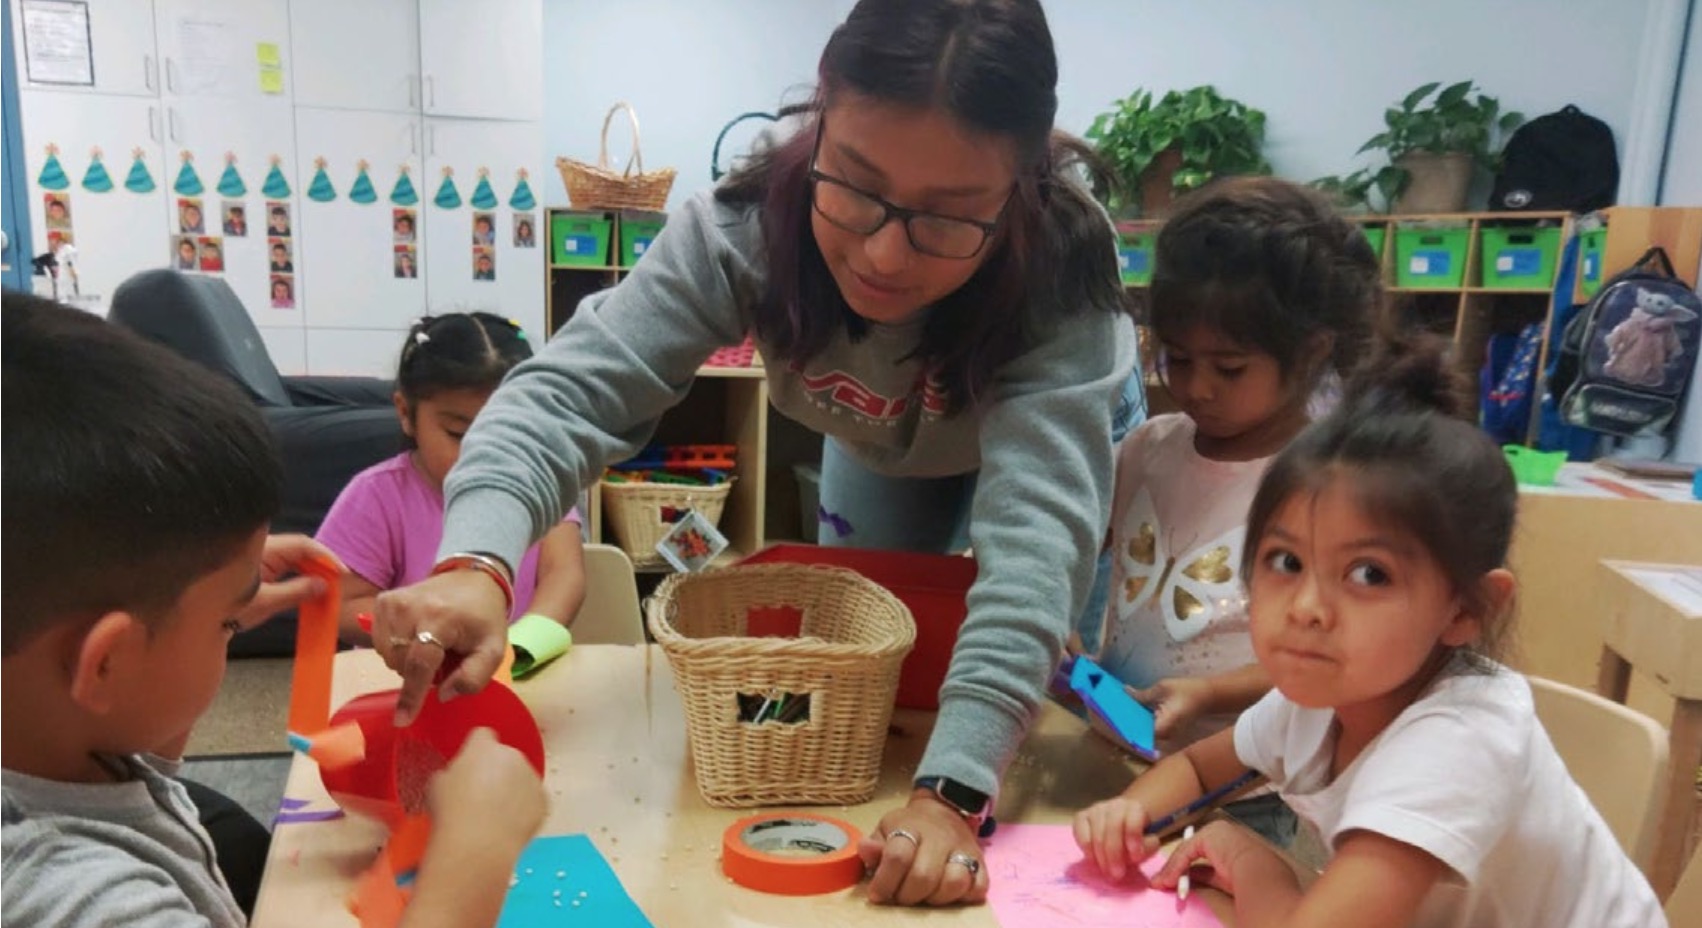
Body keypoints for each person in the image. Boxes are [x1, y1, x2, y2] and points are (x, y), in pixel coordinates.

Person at [372, 0, 1134, 908]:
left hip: (1045, 441)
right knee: (877, 653)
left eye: (949, 218)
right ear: (821, 116)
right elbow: (569, 393)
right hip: (883, 446)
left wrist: (951, 796)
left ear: (1020, 188)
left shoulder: (1061, 263)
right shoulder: (742, 226)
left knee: (1050, 695)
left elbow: (1036, 550)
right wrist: (478, 560)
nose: (885, 254)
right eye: (853, 185)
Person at [1072, 336, 1666, 927]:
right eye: (1285, 561)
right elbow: (1199, 770)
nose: (1306, 607)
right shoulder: (1325, 696)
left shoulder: (1457, 743)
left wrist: (1253, 865)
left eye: (1368, 574)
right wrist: (1124, 816)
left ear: (1466, 609)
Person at [0, 293, 549, 928]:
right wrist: (474, 852)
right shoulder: (80, 899)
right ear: (105, 665)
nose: (236, 626)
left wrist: (204, 610)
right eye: (227, 623)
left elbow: (129, 741)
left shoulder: (54, 748)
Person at [1088, 177, 1376, 842]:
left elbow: (1329, 658)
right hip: (1119, 748)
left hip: (1242, 782)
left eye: (1229, 367)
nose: (1195, 386)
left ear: (1312, 352)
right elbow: (1079, 543)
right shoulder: (1149, 448)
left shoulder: (1324, 483)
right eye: (1177, 359)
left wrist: (1209, 696)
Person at [316, 314, 586, 646]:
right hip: (409, 677)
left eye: (506, 433)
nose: (481, 453)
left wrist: (521, 645)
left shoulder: (544, 482)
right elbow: (338, 606)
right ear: (405, 413)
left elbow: (563, 574)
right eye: (458, 433)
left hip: (515, 671)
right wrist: (430, 631)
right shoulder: (377, 494)